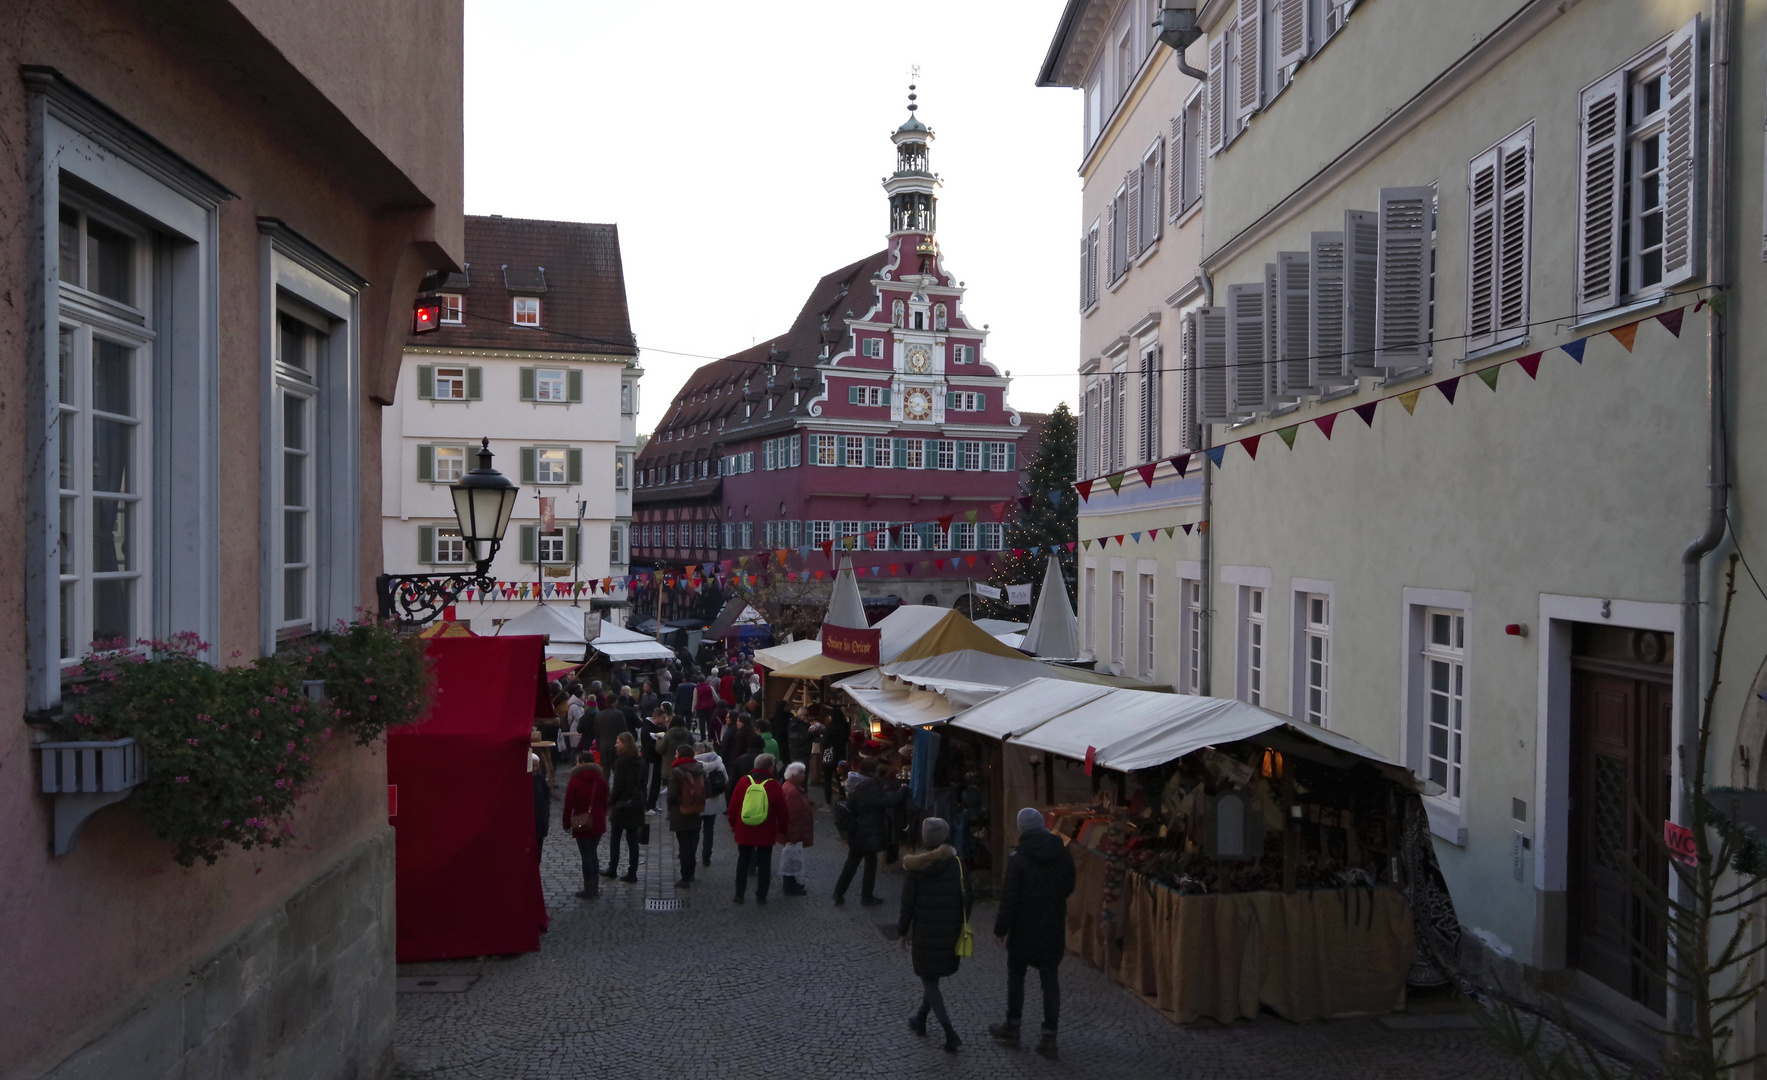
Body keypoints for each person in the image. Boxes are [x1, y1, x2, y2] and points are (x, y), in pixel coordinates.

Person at [988, 809, 1076, 1060]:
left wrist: (1000, 930)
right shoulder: (1062, 852)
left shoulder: (1018, 858)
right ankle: (1049, 1037)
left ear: (1022, 829)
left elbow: (1010, 898)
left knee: (1016, 976)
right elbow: (1070, 884)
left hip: (1024, 927)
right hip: (1053, 925)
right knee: (1050, 981)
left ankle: (1013, 1026)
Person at [897, 817, 969, 1053]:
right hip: (950, 930)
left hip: (925, 933)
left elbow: (907, 903)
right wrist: (959, 922)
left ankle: (949, 1032)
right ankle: (920, 1019)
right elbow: (968, 896)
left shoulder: (915, 867)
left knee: (929, 979)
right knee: (932, 977)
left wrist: (902, 932)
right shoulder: (956, 863)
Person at [834, 762, 911, 906]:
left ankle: (839, 892)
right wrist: (903, 790)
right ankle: (866, 896)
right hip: (867, 834)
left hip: (858, 832)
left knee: (852, 864)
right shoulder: (872, 789)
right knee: (868, 864)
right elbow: (889, 801)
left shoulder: (863, 786)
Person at [727, 753, 789, 905]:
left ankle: (739, 894)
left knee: (743, 861)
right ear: (769, 767)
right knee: (764, 864)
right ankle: (761, 896)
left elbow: (733, 806)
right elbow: (782, 811)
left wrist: (733, 825)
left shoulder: (744, 781)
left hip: (744, 828)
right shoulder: (773, 785)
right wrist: (782, 830)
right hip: (765, 830)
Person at [561, 753, 608, 899]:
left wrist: (566, 822)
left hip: (582, 821)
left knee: (586, 856)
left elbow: (568, 805)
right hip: (598, 820)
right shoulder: (600, 780)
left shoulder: (574, 781)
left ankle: (589, 889)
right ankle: (595, 887)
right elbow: (605, 801)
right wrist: (602, 815)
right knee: (593, 853)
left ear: (580, 762)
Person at [603, 732, 644, 882]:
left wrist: (610, 802)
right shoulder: (639, 761)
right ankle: (632, 872)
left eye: (618, 742)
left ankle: (612, 868)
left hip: (622, 805)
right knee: (633, 840)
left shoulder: (621, 762)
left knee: (615, 838)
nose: (615, 744)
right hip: (635, 803)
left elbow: (618, 786)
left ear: (624, 744)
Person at [665, 742, 707, 888]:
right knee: (693, 844)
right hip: (696, 811)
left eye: (676, 753)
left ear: (680, 755)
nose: (675, 755)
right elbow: (708, 789)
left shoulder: (676, 771)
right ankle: (692, 872)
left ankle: (685, 877)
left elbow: (671, 796)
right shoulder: (700, 769)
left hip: (681, 813)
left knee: (684, 846)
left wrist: (674, 807)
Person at [777, 761, 814, 896]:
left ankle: (791, 883)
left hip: (793, 832)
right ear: (794, 775)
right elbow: (792, 816)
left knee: (791, 858)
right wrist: (793, 836)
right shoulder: (793, 791)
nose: (804, 775)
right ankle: (789, 886)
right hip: (793, 833)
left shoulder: (791, 787)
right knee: (790, 859)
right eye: (802, 773)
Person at [693, 741, 729, 868]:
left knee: (695, 831)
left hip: (697, 802)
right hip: (713, 802)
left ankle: (691, 855)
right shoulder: (718, 763)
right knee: (709, 830)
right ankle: (706, 856)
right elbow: (726, 780)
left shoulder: (693, 764)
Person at [642, 704, 669, 811]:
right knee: (650, 783)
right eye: (663, 718)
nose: (664, 720)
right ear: (657, 717)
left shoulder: (655, 728)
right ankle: (647, 806)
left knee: (656, 783)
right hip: (651, 760)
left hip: (656, 760)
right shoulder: (648, 729)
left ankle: (652, 804)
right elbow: (650, 746)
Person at [592, 700, 631, 768]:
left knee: (605, 770)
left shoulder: (599, 714)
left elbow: (596, 732)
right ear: (615, 702)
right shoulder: (619, 714)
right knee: (617, 769)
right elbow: (623, 731)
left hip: (603, 747)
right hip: (616, 746)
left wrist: (598, 746)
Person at [531, 751, 552, 862]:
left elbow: (546, 795)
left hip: (539, 821)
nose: (534, 768)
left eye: (536, 766)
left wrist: (545, 811)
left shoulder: (540, 779)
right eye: (532, 766)